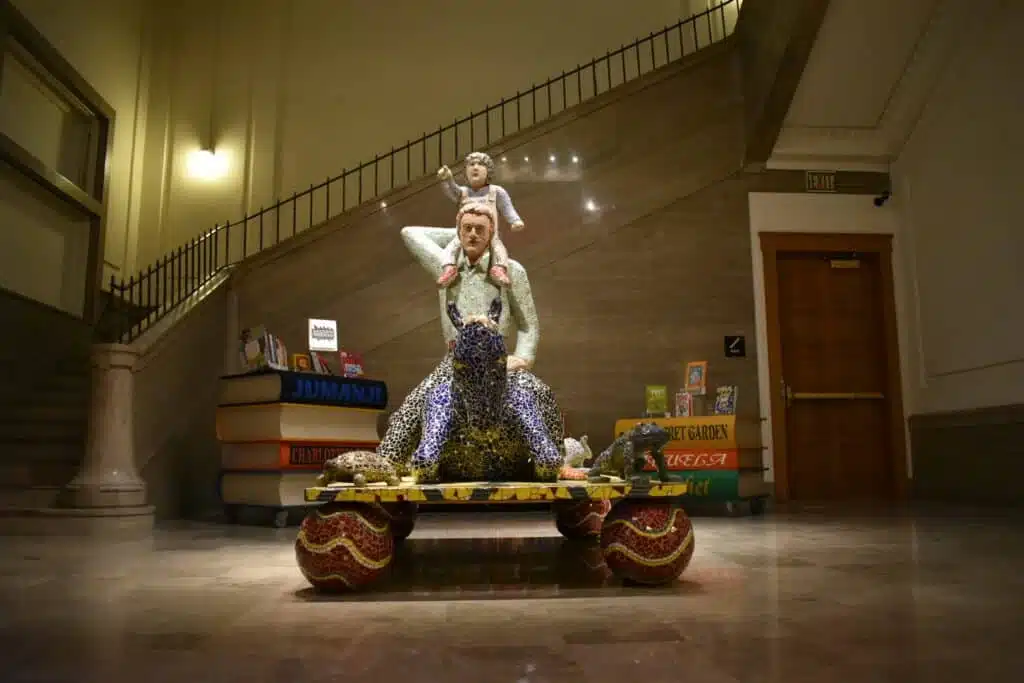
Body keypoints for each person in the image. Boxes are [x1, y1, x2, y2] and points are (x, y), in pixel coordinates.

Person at [379, 202, 561, 474]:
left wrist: (522, 358)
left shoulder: (511, 271)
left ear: (492, 234)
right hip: (455, 363)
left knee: (541, 394)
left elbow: (528, 325)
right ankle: (383, 464)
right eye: (467, 229)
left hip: (499, 366)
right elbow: (410, 233)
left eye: (480, 230)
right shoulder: (444, 266)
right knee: (414, 405)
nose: (473, 235)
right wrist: (460, 233)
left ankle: (557, 458)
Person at [435, 151, 525, 289]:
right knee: (452, 247)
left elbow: (507, 207)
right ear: (466, 172)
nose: (475, 167)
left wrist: (515, 220)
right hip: (464, 237)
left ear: (488, 171)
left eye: (480, 164)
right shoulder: (463, 193)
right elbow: (451, 190)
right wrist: (447, 179)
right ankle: (449, 268)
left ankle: (499, 268)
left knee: (498, 247)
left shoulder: (496, 192)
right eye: (471, 165)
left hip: (490, 236)